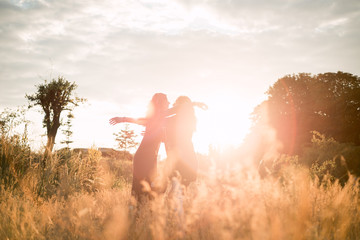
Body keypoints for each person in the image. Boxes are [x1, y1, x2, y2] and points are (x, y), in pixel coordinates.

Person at [109, 93, 170, 202]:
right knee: (141, 188)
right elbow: (138, 120)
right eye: (167, 101)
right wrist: (122, 119)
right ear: (161, 103)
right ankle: (136, 213)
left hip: (151, 158)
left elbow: (163, 139)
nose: (169, 103)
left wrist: (153, 134)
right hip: (144, 157)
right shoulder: (157, 116)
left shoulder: (161, 120)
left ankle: (141, 212)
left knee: (149, 187)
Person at [164, 96, 207, 186]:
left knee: (178, 189)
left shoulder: (186, 119)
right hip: (183, 157)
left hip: (183, 158)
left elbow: (162, 115)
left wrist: (194, 103)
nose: (174, 104)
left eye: (177, 103)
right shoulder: (177, 119)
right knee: (179, 189)